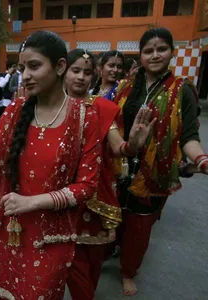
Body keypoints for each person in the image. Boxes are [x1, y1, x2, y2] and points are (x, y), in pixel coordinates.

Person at [0, 30, 102, 300]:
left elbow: (87, 186)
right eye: (22, 68)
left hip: (52, 237)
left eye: (34, 66)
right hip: (13, 231)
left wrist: (32, 202)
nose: (26, 75)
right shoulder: (15, 111)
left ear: (59, 67)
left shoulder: (85, 118)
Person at [113, 27, 208, 296]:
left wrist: (200, 159)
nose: (155, 55)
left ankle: (128, 271)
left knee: (140, 226)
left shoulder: (182, 91)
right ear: (140, 56)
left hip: (154, 173)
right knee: (116, 217)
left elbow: (188, 135)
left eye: (161, 49)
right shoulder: (125, 87)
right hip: (120, 164)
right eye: (148, 50)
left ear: (171, 52)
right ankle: (117, 251)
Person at [64, 49, 156, 300]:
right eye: (75, 71)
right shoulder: (49, 106)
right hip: (54, 194)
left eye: (87, 72)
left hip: (94, 194)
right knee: (60, 257)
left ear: (94, 75)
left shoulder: (103, 107)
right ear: (63, 71)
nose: (81, 77)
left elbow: (118, 147)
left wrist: (133, 144)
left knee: (89, 260)